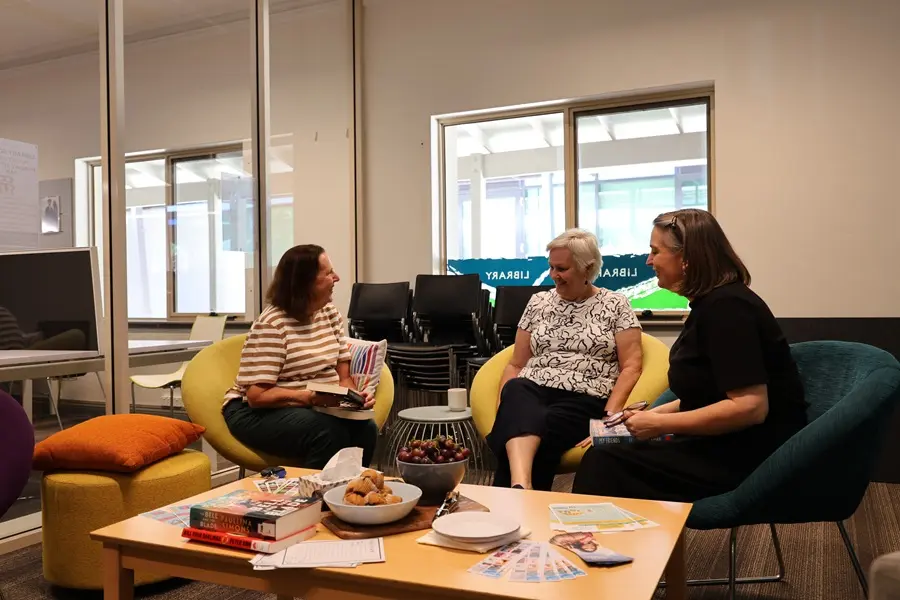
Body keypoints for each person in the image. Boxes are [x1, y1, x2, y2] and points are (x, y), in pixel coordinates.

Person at [573, 209, 808, 501]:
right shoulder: (712, 305)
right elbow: (707, 395)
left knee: (605, 460)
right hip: (726, 441)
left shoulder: (729, 310)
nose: (649, 261)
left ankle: (594, 543)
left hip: (750, 454)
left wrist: (657, 424)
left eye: (655, 251)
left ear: (687, 258)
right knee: (608, 445)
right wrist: (640, 419)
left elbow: (750, 407)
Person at [486, 229, 643, 491]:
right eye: (551, 267)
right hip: (531, 390)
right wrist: (504, 405)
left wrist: (610, 417)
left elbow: (631, 366)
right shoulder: (538, 302)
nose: (553, 275)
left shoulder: (616, 304)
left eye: (562, 268)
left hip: (584, 398)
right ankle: (522, 485)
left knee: (534, 426)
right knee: (517, 391)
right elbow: (516, 364)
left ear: (588, 268)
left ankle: (515, 493)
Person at [222, 244, 378, 469]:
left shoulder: (328, 312)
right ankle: (310, 497)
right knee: (328, 432)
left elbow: (342, 368)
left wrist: (352, 397)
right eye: (328, 273)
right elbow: (257, 396)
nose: (337, 278)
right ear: (306, 283)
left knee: (367, 429)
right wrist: (309, 397)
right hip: (254, 412)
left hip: (312, 404)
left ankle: (348, 495)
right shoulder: (272, 325)